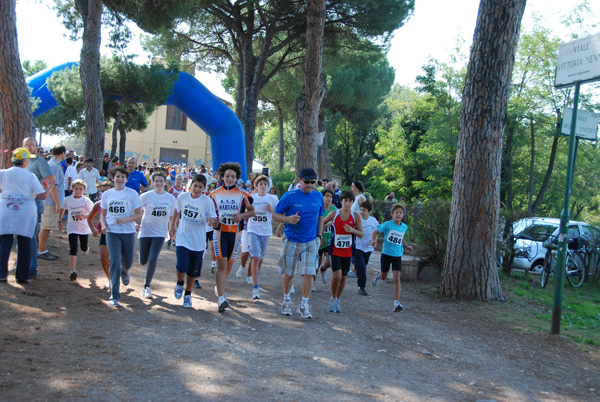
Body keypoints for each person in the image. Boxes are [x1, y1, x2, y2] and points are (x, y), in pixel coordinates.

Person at [274, 168, 324, 319]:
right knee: (289, 274)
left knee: (309, 274)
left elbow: (320, 217)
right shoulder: (289, 196)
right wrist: (288, 220)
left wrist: (319, 236)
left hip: (311, 241)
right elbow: (276, 215)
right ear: (300, 180)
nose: (310, 185)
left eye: (312, 182)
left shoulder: (318, 196)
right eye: (307, 182)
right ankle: (286, 300)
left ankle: (304, 305)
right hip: (292, 240)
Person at [0, 148, 52, 284]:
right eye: (28, 159)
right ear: (24, 161)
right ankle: (22, 275)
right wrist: (50, 186)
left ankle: (1, 274)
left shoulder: (4, 173)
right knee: (25, 243)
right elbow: (43, 195)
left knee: (4, 242)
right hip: (25, 211)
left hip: (6, 208)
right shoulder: (30, 176)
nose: (29, 161)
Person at [210, 162, 255, 312]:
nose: (229, 179)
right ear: (222, 177)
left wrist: (242, 215)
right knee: (221, 265)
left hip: (236, 233)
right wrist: (212, 221)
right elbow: (209, 214)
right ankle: (221, 298)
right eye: (227, 176)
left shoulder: (243, 195)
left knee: (228, 266)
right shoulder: (214, 194)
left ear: (237, 179)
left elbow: (252, 211)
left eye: (233, 177)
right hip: (220, 233)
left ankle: (219, 286)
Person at [170, 174, 217, 309]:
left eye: (200, 187)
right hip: (183, 237)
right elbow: (177, 210)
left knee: (192, 271)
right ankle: (180, 283)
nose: (197, 189)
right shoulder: (182, 197)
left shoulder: (207, 201)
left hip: (198, 240)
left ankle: (188, 294)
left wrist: (210, 221)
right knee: (181, 266)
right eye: (195, 186)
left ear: (204, 188)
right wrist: (172, 225)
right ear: (191, 185)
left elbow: (212, 218)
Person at [100, 166, 143, 307]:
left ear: (126, 179)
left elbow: (138, 214)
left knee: (128, 261)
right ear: (113, 178)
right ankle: (114, 295)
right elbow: (103, 214)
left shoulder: (131, 194)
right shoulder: (107, 194)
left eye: (123, 177)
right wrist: (104, 225)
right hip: (112, 232)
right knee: (114, 261)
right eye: (117, 176)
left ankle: (125, 271)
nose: (120, 179)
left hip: (128, 232)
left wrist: (125, 220)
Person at [22, 138, 58, 275]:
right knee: (20, 235)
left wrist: (40, 193)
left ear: (37, 147)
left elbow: (51, 179)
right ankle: (21, 264)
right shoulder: (22, 161)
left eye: (32, 145)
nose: (30, 147)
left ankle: (31, 268)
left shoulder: (39, 162)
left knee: (30, 235)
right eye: (27, 145)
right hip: (22, 203)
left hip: (34, 203)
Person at [322, 190, 363, 313]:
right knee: (337, 275)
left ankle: (338, 299)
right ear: (341, 201)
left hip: (348, 250)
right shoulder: (334, 214)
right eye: (345, 201)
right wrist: (321, 236)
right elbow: (322, 223)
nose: (347, 203)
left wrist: (352, 230)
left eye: (350, 201)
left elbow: (361, 233)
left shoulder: (355, 216)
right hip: (335, 249)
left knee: (343, 277)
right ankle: (333, 297)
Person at [138, 172, 176, 300]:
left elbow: (172, 217)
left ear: (165, 183)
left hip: (160, 232)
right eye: (156, 181)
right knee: (143, 261)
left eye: (161, 181)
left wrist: (172, 229)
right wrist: (134, 223)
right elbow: (135, 210)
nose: (159, 183)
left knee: (153, 258)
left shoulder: (170, 198)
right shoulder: (145, 196)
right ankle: (143, 259)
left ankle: (146, 286)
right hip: (145, 230)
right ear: (152, 183)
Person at [370, 204, 414, 312]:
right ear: (392, 214)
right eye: (397, 212)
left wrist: (406, 245)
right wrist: (374, 240)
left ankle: (396, 302)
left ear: (403, 215)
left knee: (396, 278)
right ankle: (378, 276)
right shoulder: (387, 225)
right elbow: (375, 232)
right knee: (384, 276)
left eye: (401, 213)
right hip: (386, 254)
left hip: (397, 255)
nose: (398, 215)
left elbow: (401, 237)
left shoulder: (404, 227)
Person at [246, 175, 278, 300]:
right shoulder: (251, 198)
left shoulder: (272, 198)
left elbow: (280, 213)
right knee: (255, 257)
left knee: (261, 257)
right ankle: (255, 288)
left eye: (265, 183)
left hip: (265, 231)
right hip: (252, 230)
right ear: (256, 186)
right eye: (261, 184)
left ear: (268, 186)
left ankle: (256, 273)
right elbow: (245, 211)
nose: (263, 186)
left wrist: (272, 210)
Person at [60, 179, 94, 281]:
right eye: (76, 189)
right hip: (72, 226)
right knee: (73, 248)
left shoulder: (86, 201)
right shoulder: (67, 199)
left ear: (84, 190)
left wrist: (83, 216)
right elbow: (63, 209)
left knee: (83, 247)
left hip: (83, 227)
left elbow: (92, 214)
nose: (78, 191)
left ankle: (86, 248)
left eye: (80, 189)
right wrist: (59, 221)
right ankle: (72, 271)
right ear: (72, 189)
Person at [38, 145, 66, 261]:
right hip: (50, 202)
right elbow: (52, 186)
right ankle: (41, 250)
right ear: (63, 153)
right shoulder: (54, 166)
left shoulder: (54, 165)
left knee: (47, 227)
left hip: (51, 201)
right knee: (46, 227)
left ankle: (43, 249)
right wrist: (57, 203)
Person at [87, 179, 114, 289]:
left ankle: (121, 273)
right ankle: (110, 279)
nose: (105, 193)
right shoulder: (98, 204)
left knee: (115, 258)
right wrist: (93, 229)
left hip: (118, 232)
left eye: (107, 191)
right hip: (105, 232)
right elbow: (89, 218)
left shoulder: (120, 202)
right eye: (102, 191)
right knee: (103, 257)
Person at [354, 201, 378, 295]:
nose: (361, 212)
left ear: (369, 211)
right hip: (357, 246)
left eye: (364, 210)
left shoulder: (373, 221)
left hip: (368, 247)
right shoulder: (357, 219)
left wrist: (374, 241)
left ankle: (355, 268)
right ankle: (362, 287)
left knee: (364, 264)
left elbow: (376, 231)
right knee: (361, 267)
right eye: (360, 209)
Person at [317, 188, 336, 286]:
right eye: (327, 196)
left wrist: (331, 222)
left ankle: (323, 269)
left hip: (330, 239)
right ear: (322, 197)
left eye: (331, 196)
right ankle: (313, 281)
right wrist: (321, 236)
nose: (329, 198)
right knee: (318, 261)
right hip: (321, 238)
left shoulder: (334, 210)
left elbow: (338, 221)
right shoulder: (319, 209)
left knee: (330, 261)